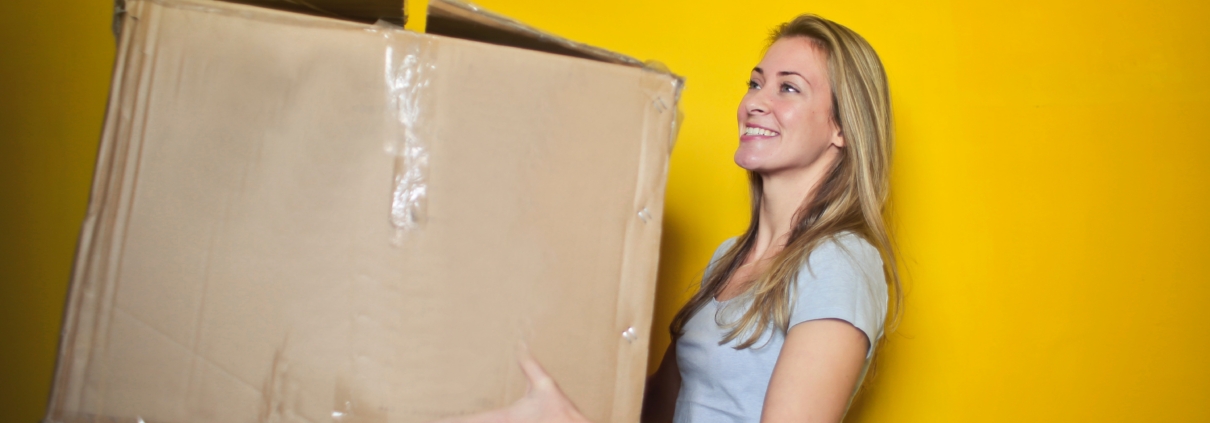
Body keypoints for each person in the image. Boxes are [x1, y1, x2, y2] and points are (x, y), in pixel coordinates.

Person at [434, 13, 900, 423]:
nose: (756, 102)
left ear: (842, 127)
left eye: (789, 88)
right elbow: (656, 409)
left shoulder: (839, 263)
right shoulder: (728, 259)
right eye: (755, 83)